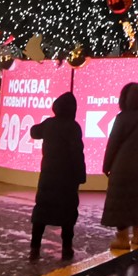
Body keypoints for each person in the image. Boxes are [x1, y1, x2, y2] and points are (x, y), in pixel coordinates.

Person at [29, 92, 85, 260]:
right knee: (67, 215)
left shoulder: (49, 124)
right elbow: (77, 154)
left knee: (41, 213)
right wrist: (80, 175)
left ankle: (34, 248)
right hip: (67, 179)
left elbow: (34, 132)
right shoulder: (73, 127)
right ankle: (67, 248)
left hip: (47, 176)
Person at [102, 81, 138, 252]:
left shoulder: (122, 117)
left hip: (120, 166)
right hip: (136, 167)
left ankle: (122, 238)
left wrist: (106, 165)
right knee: (133, 200)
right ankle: (137, 235)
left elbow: (113, 143)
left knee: (118, 201)